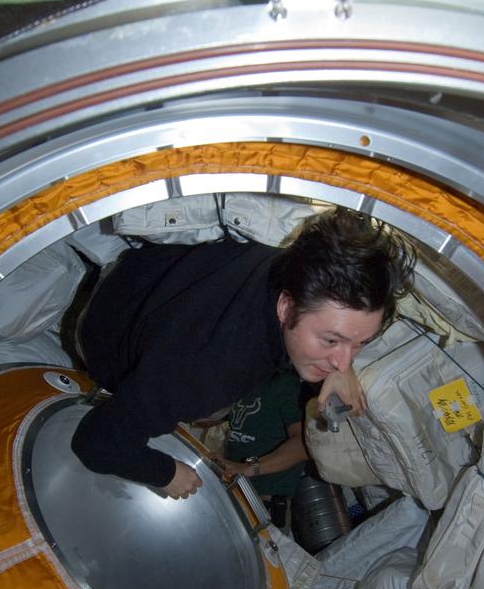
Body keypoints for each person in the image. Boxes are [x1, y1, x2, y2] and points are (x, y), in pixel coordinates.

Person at [70, 208, 414, 498]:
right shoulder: (206, 375)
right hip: (105, 325)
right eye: (331, 341)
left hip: (151, 272)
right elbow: (96, 443)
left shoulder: (301, 259)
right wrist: (164, 473)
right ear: (286, 306)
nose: (345, 360)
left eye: (359, 343)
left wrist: (339, 364)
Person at [215, 369, 308, 526]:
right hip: (232, 496)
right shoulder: (242, 384)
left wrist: (247, 468)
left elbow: (302, 445)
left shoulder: (283, 383)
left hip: (263, 505)